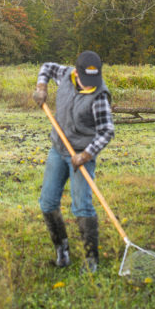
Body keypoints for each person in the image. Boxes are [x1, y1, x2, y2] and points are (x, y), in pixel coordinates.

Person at [32, 50, 114, 273]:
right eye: (85, 81)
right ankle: (62, 250)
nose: (90, 86)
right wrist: (42, 87)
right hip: (59, 149)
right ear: (76, 72)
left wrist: (86, 155)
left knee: (81, 205)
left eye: (93, 81)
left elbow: (107, 131)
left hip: (82, 153)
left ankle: (91, 258)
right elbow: (47, 66)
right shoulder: (65, 75)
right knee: (48, 202)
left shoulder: (99, 96)